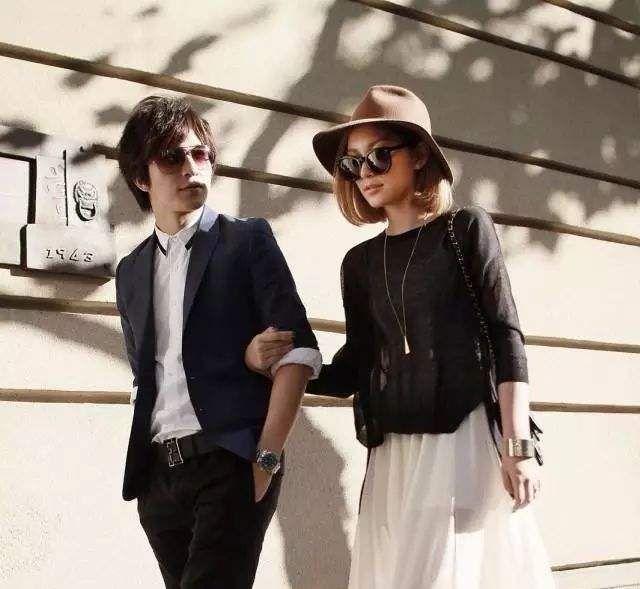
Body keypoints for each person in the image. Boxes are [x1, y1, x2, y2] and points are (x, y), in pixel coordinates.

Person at [245, 85, 555, 588]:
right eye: (353, 163)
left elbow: (506, 337)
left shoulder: (464, 230)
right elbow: (355, 365)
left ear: (419, 155)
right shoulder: (360, 264)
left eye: (379, 156)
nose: (365, 173)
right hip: (393, 457)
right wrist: (281, 364)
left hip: (460, 443)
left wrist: (517, 445)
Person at [115, 95, 321, 589]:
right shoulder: (130, 271)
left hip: (230, 462)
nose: (192, 167)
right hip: (159, 479)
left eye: (200, 153)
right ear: (142, 177)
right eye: (172, 157)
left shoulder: (245, 240)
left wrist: (267, 458)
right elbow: (149, 373)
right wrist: (148, 486)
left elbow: (298, 354)